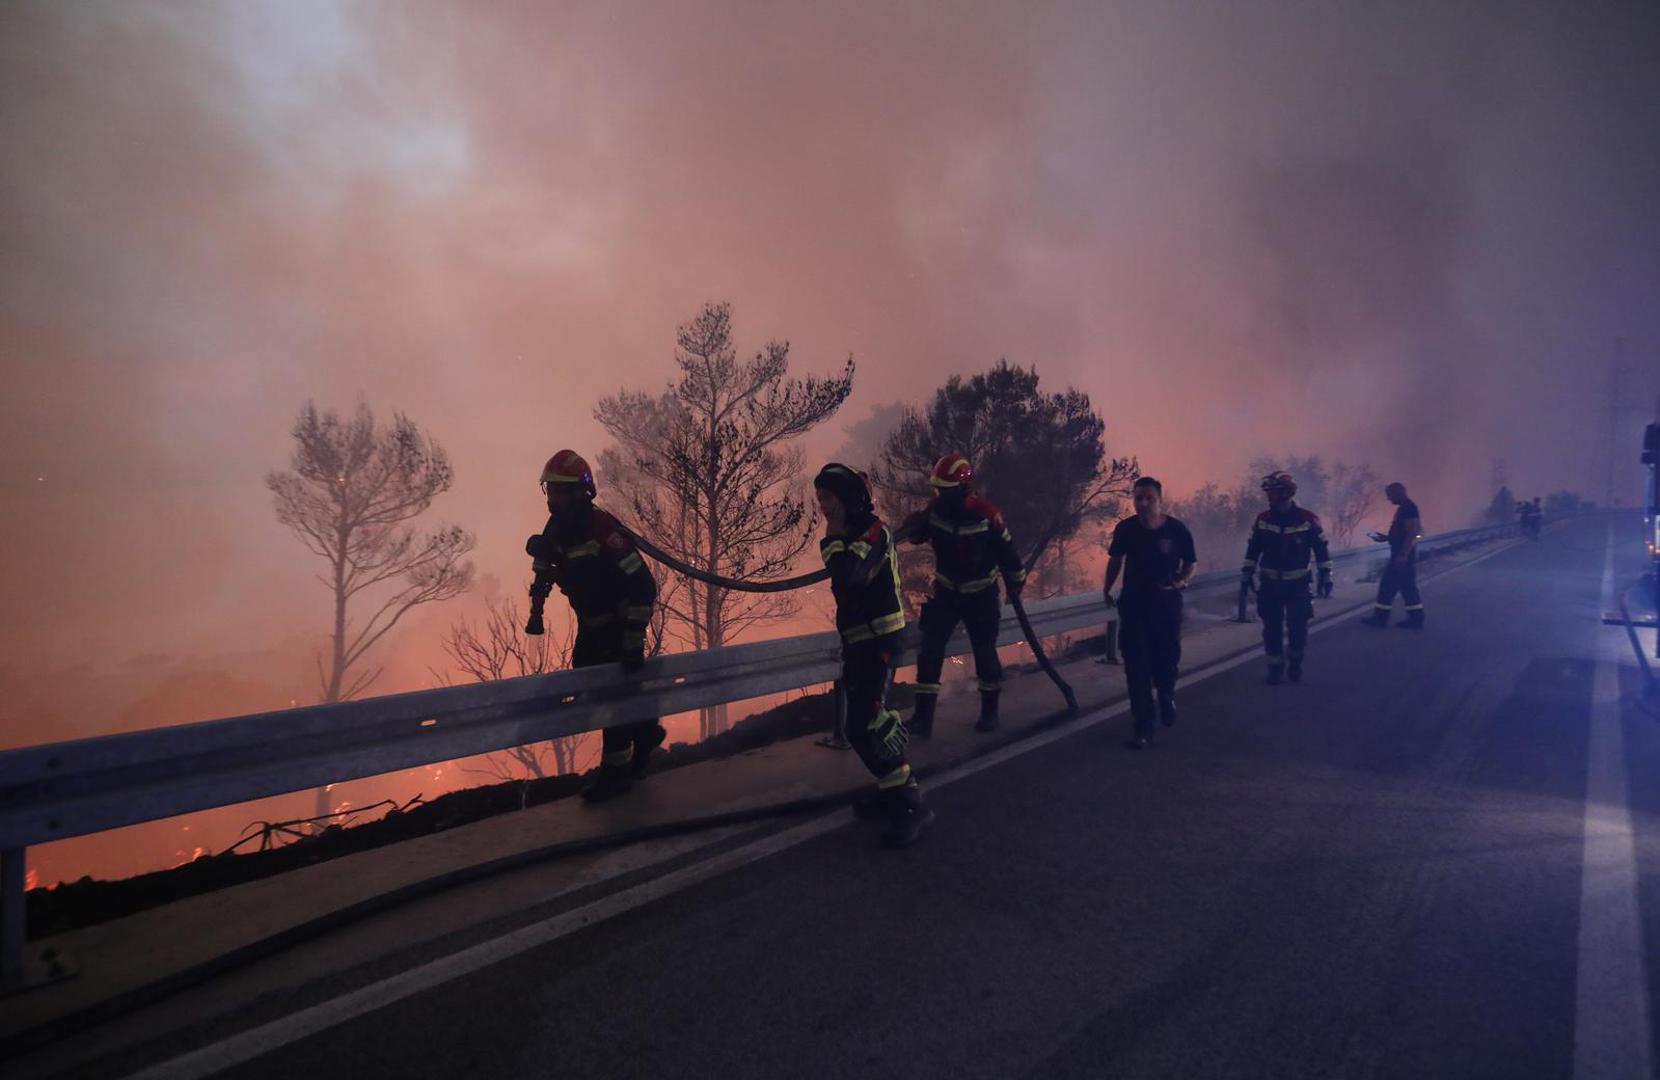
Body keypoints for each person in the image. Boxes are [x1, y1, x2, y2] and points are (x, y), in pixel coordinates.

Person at [525, 449, 664, 802]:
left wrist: (633, 640)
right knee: (598, 695)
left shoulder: (602, 528)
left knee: (611, 700)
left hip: (618, 628)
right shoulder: (558, 528)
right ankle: (644, 732)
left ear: (579, 492)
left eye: (559, 491)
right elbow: (571, 571)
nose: (552, 499)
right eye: (550, 490)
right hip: (590, 628)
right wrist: (547, 561)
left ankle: (616, 774)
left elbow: (643, 586)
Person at [814, 463, 933, 847]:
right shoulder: (854, 533)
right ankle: (891, 789)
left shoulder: (873, 533)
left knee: (869, 724)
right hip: (860, 641)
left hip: (878, 642)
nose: (824, 507)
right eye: (820, 500)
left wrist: (830, 538)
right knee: (862, 723)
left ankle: (911, 802)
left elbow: (850, 573)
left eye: (829, 498)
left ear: (849, 498)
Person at [898, 452, 1026, 736]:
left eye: (946, 489)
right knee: (930, 652)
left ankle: (989, 713)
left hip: (981, 596)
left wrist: (1016, 583)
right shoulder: (936, 510)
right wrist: (912, 525)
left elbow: (1008, 553)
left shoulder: (986, 514)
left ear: (963, 487)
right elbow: (918, 535)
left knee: (984, 654)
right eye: (938, 489)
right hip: (946, 593)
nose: (941, 493)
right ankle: (923, 718)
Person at [1102, 477, 1197, 749]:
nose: (1142, 503)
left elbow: (1191, 562)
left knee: (1165, 662)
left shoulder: (1177, 530)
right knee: (1136, 669)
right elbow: (1116, 560)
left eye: (1149, 498)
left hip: (1166, 607)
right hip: (1134, 607)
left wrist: (1181, 580)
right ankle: (1143, 728)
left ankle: (1166, 694)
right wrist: (1107, 589)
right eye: (1138, 498)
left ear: (1159, 500)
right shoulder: (1126, 529)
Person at [1241, 471, 1333, 685]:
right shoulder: (1263, 520)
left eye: (1273, 492)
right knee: (1271, 629)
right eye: (1268, 492)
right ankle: (1275, 668)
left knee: (1297, 627)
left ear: (1286, 493)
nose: (1269, 496)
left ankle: (1295, 661)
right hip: (1270, 584)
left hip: (1298, 585)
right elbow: (1253, 549)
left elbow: (1321, 550)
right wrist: (1247, 574)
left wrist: (1326, 576)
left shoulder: (1308, 520)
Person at [1362, 481, 1424, 628]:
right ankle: (1416, 619)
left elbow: (1412, 531)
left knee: (1387, 586)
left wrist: (1402, 554)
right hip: (1403, 554)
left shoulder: (1408, 508)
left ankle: (1380, 619)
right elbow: (1404, 533)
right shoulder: (1406, 507)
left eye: (1390, 496)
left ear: (1398, 493)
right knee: (1408, 587)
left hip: (1402, 555)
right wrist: (1386, 538)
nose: (1389, 499)